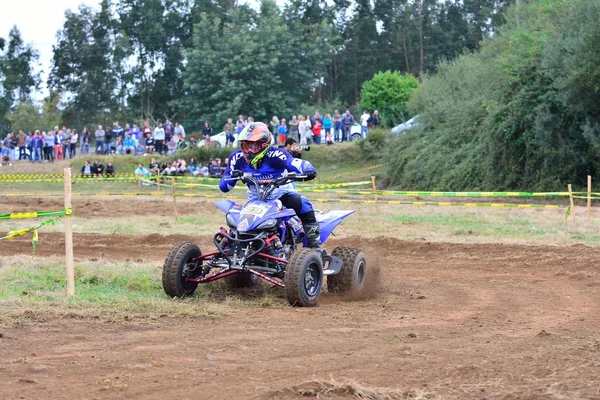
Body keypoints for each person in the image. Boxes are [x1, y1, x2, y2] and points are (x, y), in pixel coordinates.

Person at [219, 122, 321, 250]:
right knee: (239, 220)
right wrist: (230, 177)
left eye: (254, 146)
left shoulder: (276, 154)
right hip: (255, 198)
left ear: (264, 145)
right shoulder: (237, 157)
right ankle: (237, 247)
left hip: (280, 193)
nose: (249, 150)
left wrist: (308, 169)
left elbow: (296, 163)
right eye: (246, 146)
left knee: (301, 202)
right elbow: (225, 185)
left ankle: (315, 247)